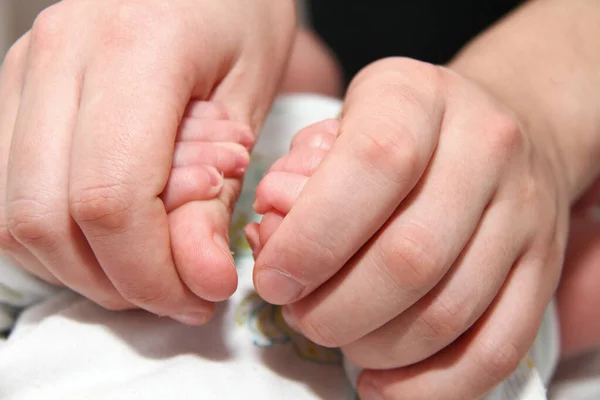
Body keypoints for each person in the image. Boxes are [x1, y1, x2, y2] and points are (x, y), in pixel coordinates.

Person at [1, 0, 600, 398]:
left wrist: (64, 222)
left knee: (96, 206)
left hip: (167, 229)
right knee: (549, 292)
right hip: (438, 264)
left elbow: (25, 253)